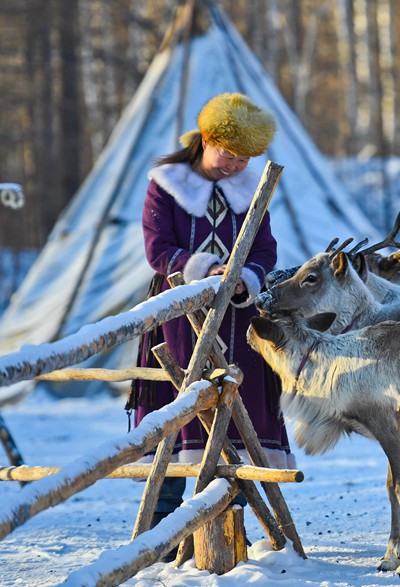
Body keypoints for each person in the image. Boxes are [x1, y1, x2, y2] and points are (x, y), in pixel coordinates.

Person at [128, 93, 294, 537]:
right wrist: (204, 271)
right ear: (206, 139)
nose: (235, 165)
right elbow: (157, 249)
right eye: (228, 154)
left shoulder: (252, 190)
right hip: (180, 319)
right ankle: (162, 535)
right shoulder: (166, 185)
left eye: (244, 159)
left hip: (240, 323)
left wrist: (246, 279)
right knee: (177, 417)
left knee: (237, 420)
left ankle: (227, 528)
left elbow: (265, 248)